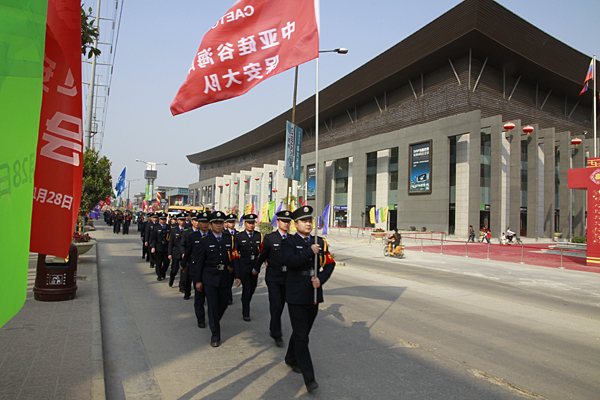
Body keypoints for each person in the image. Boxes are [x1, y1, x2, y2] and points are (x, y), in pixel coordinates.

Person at [281, 206, 335, 393]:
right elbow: (290, 261)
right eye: (304, 221)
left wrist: (321, 279)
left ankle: (290, 357)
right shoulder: (288, 242)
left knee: (302, 332)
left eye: (310, 221)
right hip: (296, 293)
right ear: (296, 224)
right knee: (302, 337)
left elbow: (330, 264)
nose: (308, 224)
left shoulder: (320, 241)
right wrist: (308, 252)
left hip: (313, 293)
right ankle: (309, 378)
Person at [184, 211, 240, 347]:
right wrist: (198, 280)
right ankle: (215, 334)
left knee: (224, 304)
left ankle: (214, 319)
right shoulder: (205, 241)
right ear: (211, 225)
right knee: (213, 304)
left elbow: (235, 258)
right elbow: (199, 262)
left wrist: (237, 275)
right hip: (209, 276)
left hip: (224, 276)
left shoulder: (229, 239)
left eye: (221, 223)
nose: (219, 226)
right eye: (216, 223)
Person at [253, 210, 293, 347]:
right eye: (284, 221)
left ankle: (273, 326)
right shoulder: (270, 238)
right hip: (273, 276)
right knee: (275, 305)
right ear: (278, 222)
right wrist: (255, 268)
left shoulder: (292, 239)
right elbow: (263, 255)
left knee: (281, 305)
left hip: (287, 277)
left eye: (288, 222)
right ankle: (276, 333)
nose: (286, 224)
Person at [233, 213, 262, 322]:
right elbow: (235, 253)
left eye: (253, 223)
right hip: (244, 264)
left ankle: (245, 300)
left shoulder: (259, 236)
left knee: (253, 287)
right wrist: (237, 271)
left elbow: (262, 251)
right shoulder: (239, 237)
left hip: (255, 264)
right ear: (245, 224)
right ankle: (246, 312)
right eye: (249, 223)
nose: (251, 225)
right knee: (247, 287)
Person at [168, 213, 187, 288]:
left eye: (183, 220)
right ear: (178, 220)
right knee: (174, 269)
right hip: (176, 251)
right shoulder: (174, 229)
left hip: (184, 252)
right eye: (180, 220)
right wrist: (169, 253)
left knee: (183, 270)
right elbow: (171, 242)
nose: (182, 222)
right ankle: (171, 278)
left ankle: (182, 286)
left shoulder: (187, 229)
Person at [151, 212, 171, 281]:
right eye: (162, 219)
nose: (163, 221)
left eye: (164, 219)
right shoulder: (156, 227)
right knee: (158, 262)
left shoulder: (168, 227)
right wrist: (153, 247)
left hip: (166, 247)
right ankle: (159, 275)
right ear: (159, 220)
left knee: (166, 262)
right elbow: (153, 238)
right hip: (158, 247)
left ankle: (163, 272)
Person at [225, 213, 238, 305]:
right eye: (230, 222)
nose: (232, 224)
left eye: (233, 222)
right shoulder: (223, 234)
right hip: (225, 261)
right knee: (226, 281)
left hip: (235, 260)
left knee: (231, 280)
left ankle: (228, 296)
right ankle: (228, 297)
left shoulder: (237, 234)